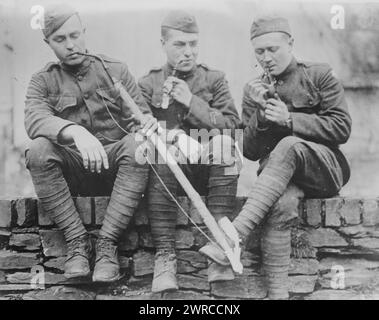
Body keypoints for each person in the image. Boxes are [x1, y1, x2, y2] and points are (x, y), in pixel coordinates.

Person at [200, 16, 352, 299]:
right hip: (280, 177)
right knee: (281, 206)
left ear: (290, 43)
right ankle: (278, 294)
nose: (266, 58)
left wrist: (290, 119)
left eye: (273, 49)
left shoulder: (318, 75)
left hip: (325, 169)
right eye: (260, 52)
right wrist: (259, 113)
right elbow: (250, 151)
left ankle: (234, 235)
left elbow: (342, 127)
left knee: (290, 144)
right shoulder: (253, 90)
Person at [25, 4, 159, 282]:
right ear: (47, 43)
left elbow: (140, 118)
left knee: (140, 146)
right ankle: (77, 242)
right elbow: (34, 119)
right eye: (60, 39)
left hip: (117, 173)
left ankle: (107, 244)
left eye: (75, 35)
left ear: (84, 32)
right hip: (73, 172)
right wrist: (74, 131)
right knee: (38, 150)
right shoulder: (43, 79)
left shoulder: (115, 70)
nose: (70, 45)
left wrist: (147, 125)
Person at [138, 10, 241, 293]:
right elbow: (136, 128)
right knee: (160, 152)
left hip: (209, 171)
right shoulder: (148, 84)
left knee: (225, 147)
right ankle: (165, 257)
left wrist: (191, 101)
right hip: (166, 176)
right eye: (179, 45)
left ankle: (220, 246)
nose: (188, 52)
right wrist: (170, 136)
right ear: (163, 44)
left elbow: (233, 127)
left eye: (193, 44)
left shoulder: (214, 79)